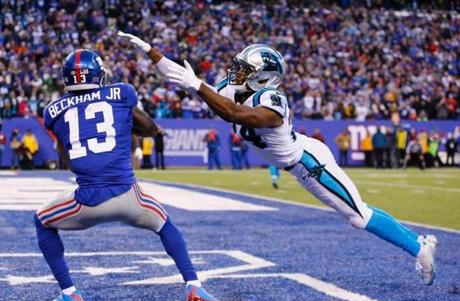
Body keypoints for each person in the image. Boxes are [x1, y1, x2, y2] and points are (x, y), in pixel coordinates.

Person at [119, 32, 438, 286]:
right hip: (296, 164)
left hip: (311, 164)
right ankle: (418, 243)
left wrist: (198, 85)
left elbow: (235, 113)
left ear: (262, 77)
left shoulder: (272, 100)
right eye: (238, 65)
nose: (235, 72)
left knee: (358, 216)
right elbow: (182, 76)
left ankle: (419, 248)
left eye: (244, 69)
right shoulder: (233, 88)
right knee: (357, 213)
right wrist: (150, 50)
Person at [34, 49, 224, 301]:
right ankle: (193, 283)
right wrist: (139, 124)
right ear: (99, 75)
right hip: (130, 196)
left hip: (87, 201)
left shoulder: (53, 111)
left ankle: (69, 293)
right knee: (165, 226)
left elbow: (67, 161)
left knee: (42, 220)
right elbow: (148, 129)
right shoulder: (121, 93)